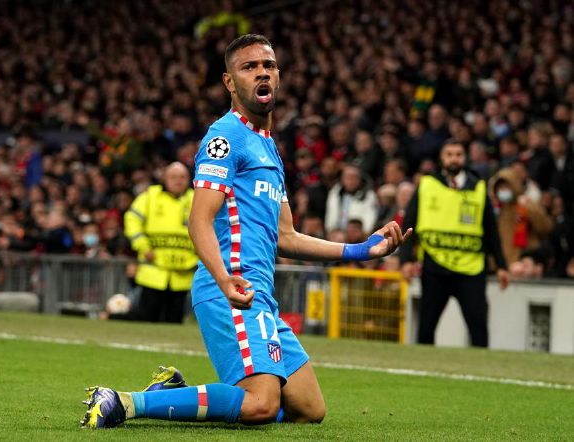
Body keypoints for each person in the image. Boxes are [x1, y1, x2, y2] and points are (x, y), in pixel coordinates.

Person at [81, 34, 412, 429]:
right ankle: (123, 402)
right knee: (261, 405)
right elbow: (198, 221)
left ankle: (172, 395)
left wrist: (362, 251)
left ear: (279, 76)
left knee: (310, 409)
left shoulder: (269, 148)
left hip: (261, 295)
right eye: (249, 67)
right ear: (229, 82)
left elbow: (286, 237)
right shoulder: (224, 139)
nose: (262, 73)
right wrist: (223, 279)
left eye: (268, 66)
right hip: (232, 287)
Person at [400, 139, 510, 347]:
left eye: (458, 154)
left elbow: (491, 230)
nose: (454, 159)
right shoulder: (427, 185)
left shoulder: (478, 187)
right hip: (435, 265)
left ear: (464, 158)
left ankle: (481, 373)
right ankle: (424, 371)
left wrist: (502, 265)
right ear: (442, 158)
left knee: (478, 327)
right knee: (426, 328)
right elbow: (409, 224)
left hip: (471, 268)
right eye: (449, 154)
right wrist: (405, 260)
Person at [123, 161, 198, 323]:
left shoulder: (196, 199)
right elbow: (131, 219)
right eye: (173, 177)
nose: (178, 181)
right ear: (164, 178)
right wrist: (142, 245)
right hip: (153, 274)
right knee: (146, 321)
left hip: (182, 275)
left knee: (174, 323)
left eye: (182, 177)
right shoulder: (150, 196)